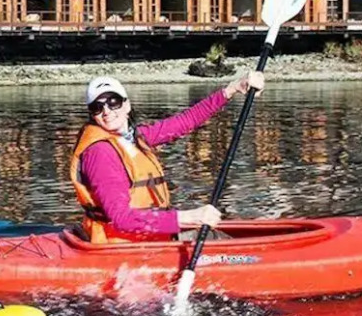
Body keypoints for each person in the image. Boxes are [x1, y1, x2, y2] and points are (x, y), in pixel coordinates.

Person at [68, 73, 264, 243]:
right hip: (120, 243)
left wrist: (232, 89)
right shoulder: (100, 153)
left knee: (220, 238)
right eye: (97, 107)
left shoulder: (136, 138)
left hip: (148, 237)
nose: (107, 111)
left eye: (113, 102)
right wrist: (187, 217)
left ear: (127, 105)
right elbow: (121, 218)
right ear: (92, 115)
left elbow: (186, 121)